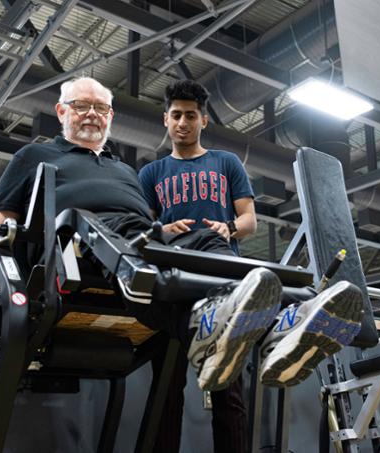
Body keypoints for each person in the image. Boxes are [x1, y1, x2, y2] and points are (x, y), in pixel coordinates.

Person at [0, 76, 364, 441]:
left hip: (145, 237)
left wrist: (170, 232)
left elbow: (153, 223)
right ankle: (211, 324)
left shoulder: (123, 169)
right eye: (81, 106)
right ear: (62, 112)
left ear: (111, 117)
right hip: (87, 237)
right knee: (143, 264)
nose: (92, 114)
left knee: (207, 242)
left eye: (100, 108)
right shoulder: (36, 155)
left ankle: (282, 323)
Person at [138, 79, 257, 452]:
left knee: (228, 387)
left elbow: (250, 219)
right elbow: (141, 228)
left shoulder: (225, 163)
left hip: (218, 277)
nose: (183, 122)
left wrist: (230, 227)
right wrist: (162, 229)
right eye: (176, 115)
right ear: (165, 120)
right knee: (167, 389)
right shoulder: (151, 173)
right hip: (174, 280)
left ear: (203, 120)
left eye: (191, 115)